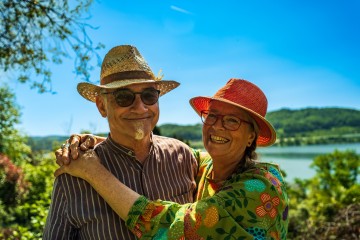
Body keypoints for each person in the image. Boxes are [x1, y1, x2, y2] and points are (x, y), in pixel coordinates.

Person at [55, 79, 289, 239]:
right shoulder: (205, 165)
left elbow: (177, 228)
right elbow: (165, 147)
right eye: (212, 116)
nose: (217, 127)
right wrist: (108, 138)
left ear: (251, 137)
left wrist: (92, 172)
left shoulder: (262, 187)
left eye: (232, 121)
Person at [43, 45, 199, 239]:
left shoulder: (183, 156)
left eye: (149, 95)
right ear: (102, 106)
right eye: (123, 97)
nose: (140, 107)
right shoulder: (73, 176)